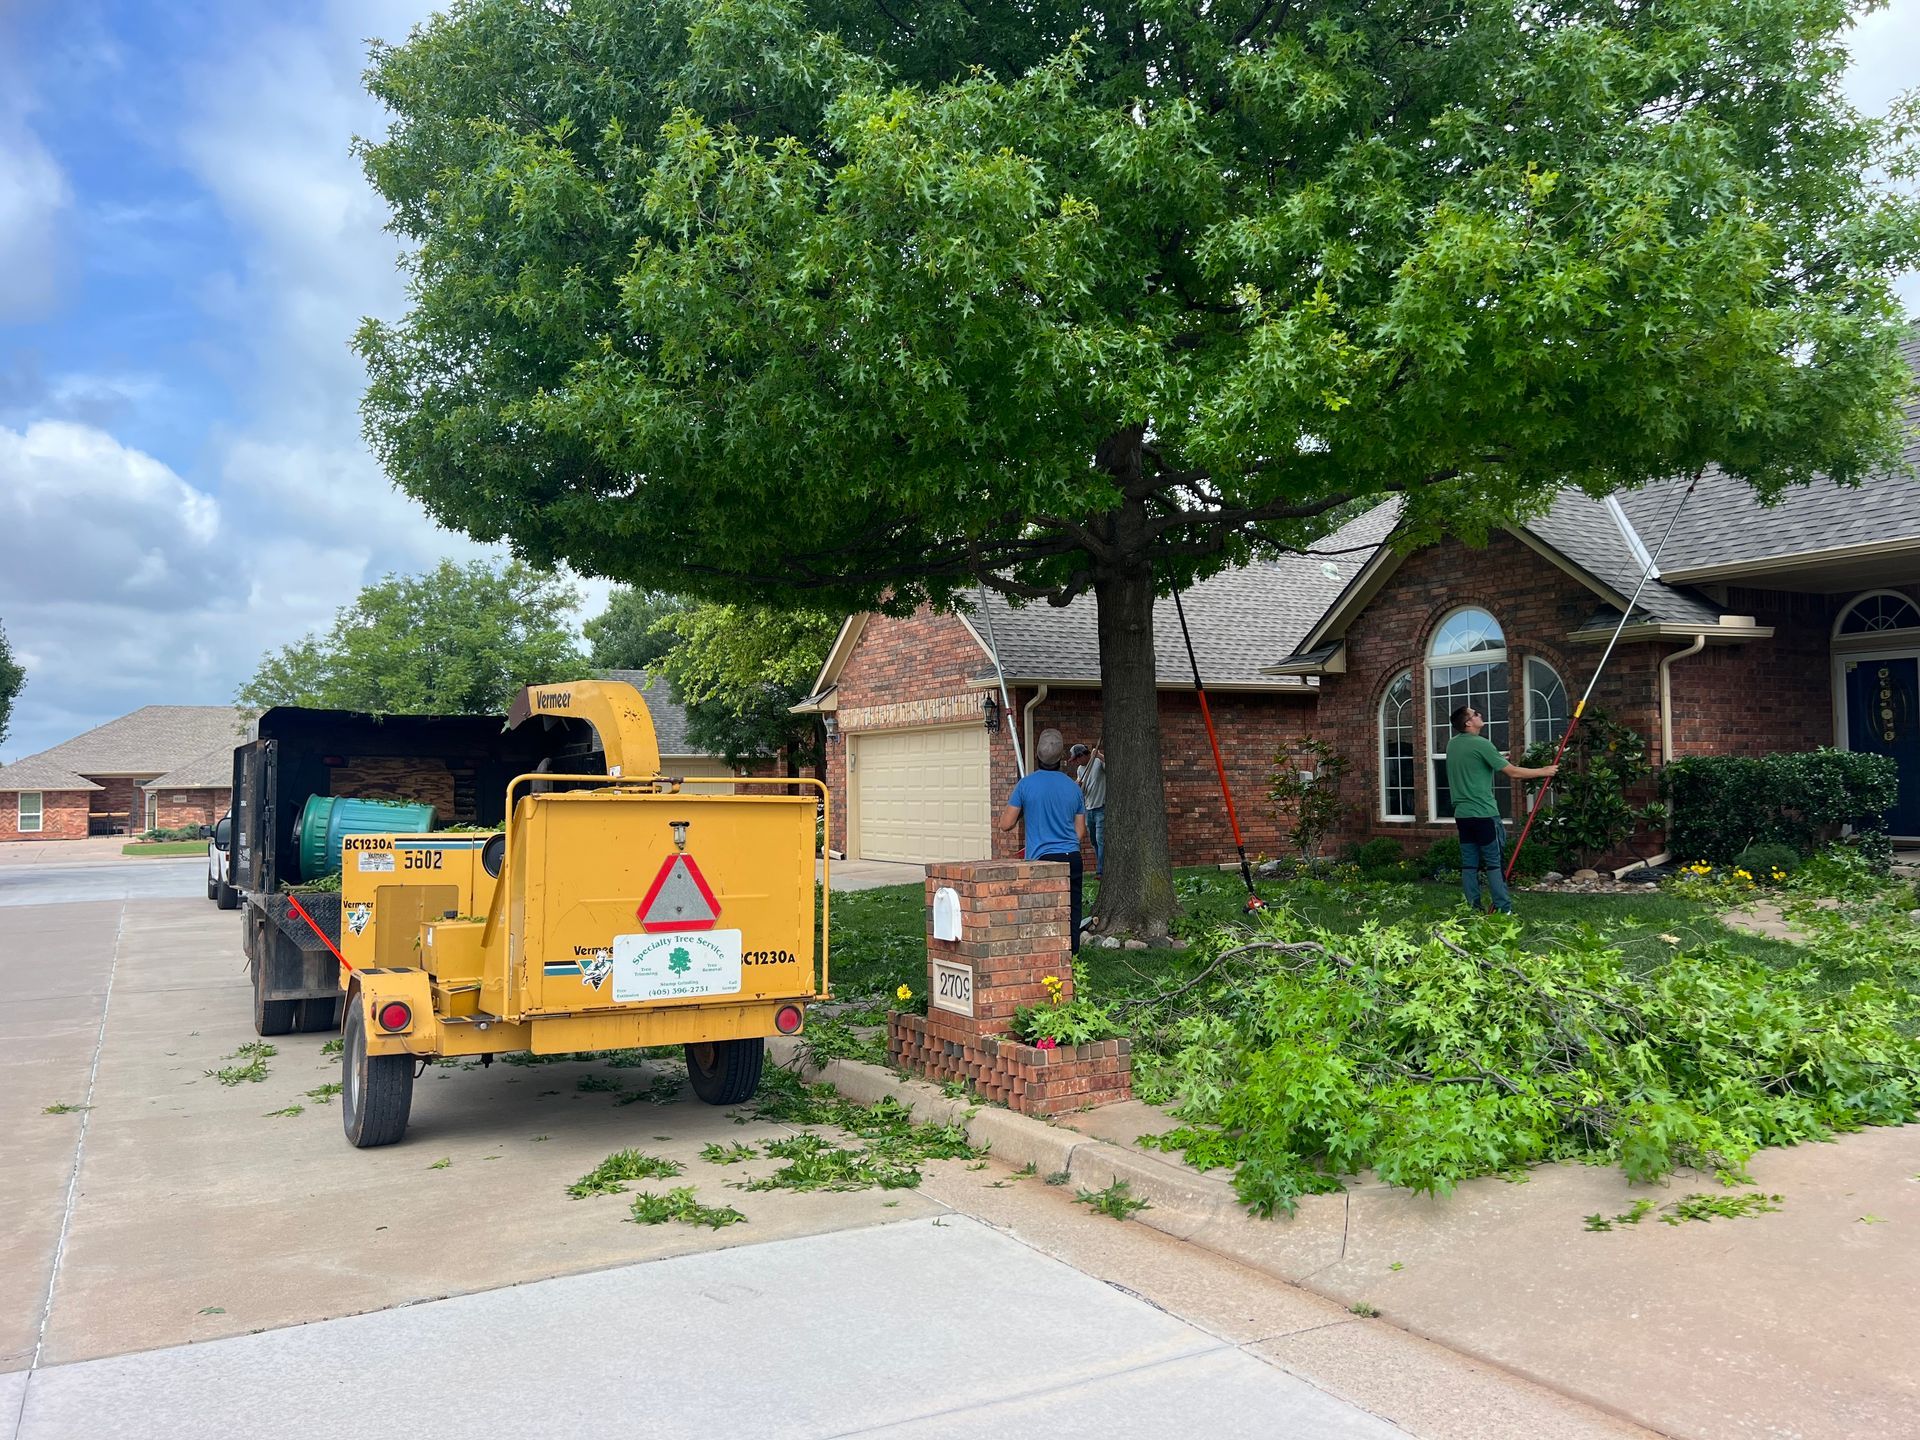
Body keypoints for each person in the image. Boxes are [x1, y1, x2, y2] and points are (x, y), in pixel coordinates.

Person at [1444, 705, 1558, 914]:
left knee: (1469, 864)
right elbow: (1513, 773)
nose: (1480, 715)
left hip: (1463, 815)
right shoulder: (1481, 743)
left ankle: (1472, 908)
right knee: (1494, 863)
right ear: (1468, 723)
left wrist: (1496, 759)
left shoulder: (1452, 745)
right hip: (1484, 814)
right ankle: (1503, 908)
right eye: (1475, 714)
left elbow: (1473, 763)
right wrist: (1544, 771)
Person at [998, 729, 1089, 952]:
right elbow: (1081, 832)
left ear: (1037, 756)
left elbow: (1005, 824)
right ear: (1061, 759)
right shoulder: (1073, 788)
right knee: (1072, 911)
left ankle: (1045, 955)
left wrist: (1023, 809)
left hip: (1042, 860)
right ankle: (1072, 958)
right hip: (1072, 857)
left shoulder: (1026, 785)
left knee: (1041, 912)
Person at [1070, 741, 1106, 876]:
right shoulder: (1080, 769)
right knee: (1094, 841)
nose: (1077, 762)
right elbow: (1082, 789)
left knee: (1100, 839)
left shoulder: (1097, 763)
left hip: (1101, 807)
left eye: (1077, 758)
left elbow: (1112, 770)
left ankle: (1101, 871)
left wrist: (1100, 756)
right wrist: (1077, 785)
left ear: (1082, 755)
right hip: (1088, 809)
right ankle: (1101, 865)